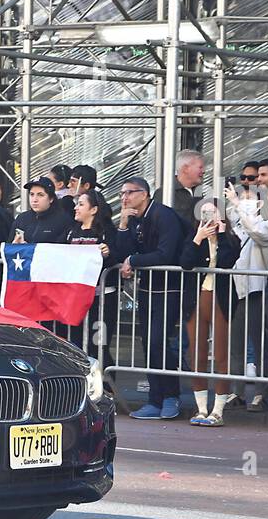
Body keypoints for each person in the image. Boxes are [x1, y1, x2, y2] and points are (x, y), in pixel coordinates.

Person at [118, 177, 185, 419]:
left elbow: (165, 254)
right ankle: (155, 399)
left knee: (159, 341)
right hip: (148, 289)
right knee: (148, 343)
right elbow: (123, 251)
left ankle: (170, 396)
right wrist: (124, 224)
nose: (124, 198)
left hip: (170, 288)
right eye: (122, 193)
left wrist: (134, 261)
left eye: (129, 192)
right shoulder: (136, 219)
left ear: (144, 194)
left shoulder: (163, 215)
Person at [180, 203, 242, 426]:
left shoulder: (231, 239)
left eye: (212, 212)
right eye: (204, 212)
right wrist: (198, 238)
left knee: (221, 354)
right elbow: (186, 262)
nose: (208, 217)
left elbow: (227, 261)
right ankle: (201, 408)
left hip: (221, 299)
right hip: (197, 298)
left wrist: (222, 235)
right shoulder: (193, 236)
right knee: (196, 353)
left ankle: (218, 410)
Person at [225, 178, 268, 413]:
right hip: (236, 288)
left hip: (258, 288)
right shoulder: (235, 224)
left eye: (249, 198)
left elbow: (259, 232)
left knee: (260, 343)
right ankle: (236, 391)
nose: (242, 202)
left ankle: (262, 393)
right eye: (241, 197)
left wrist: (239, 205)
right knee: (235, 342)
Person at [65, 188, 121, 355]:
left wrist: (108, 254)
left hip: (101, 299)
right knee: (76, 343)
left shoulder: (107, 231)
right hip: (77, 298)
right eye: (76, 204)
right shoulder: (71, 231)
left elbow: (117, 257)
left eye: (81, 204)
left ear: (94, 209)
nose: (76, 208)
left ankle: (103, 380)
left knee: (98, 344)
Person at [10, 177, 71, 244]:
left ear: (51, 199)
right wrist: (15, 245)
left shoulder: (63, 220)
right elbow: (9, 246)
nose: (34, 199)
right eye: (32, 194)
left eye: (40, 195)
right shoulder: (22, 219)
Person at [173, 149, 205, 226]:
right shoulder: (166, 193)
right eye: (200, 167)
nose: (203, 171)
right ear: (185, 169)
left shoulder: (198, 192)